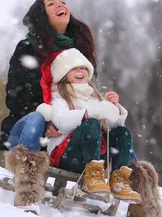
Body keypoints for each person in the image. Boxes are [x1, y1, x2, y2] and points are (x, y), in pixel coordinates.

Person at [35, 48, 141, 204]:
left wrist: (114, 107)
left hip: (95, 158)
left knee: (123, 132)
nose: (81, 70)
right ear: (64, 72)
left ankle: (118, 179)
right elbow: (61, 121)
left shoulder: (94, 96)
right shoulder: (59, 96)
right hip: (67, 154)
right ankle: (93, 175)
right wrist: (89, 113)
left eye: (84, 68)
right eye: (75, 67)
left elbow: (113, 125)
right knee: (90, 123)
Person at [0, 0, 98, 153]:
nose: (60, 4)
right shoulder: (27, 48)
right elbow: (15, 97)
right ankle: (27, 171)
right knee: (36, 118)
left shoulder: (78, 50)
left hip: (64, 132)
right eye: (51, 3)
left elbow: (84, 94)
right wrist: (47, 120)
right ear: (42, 16)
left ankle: (128, 174)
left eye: (62, 1)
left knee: (110, 123)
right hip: (28, 128)